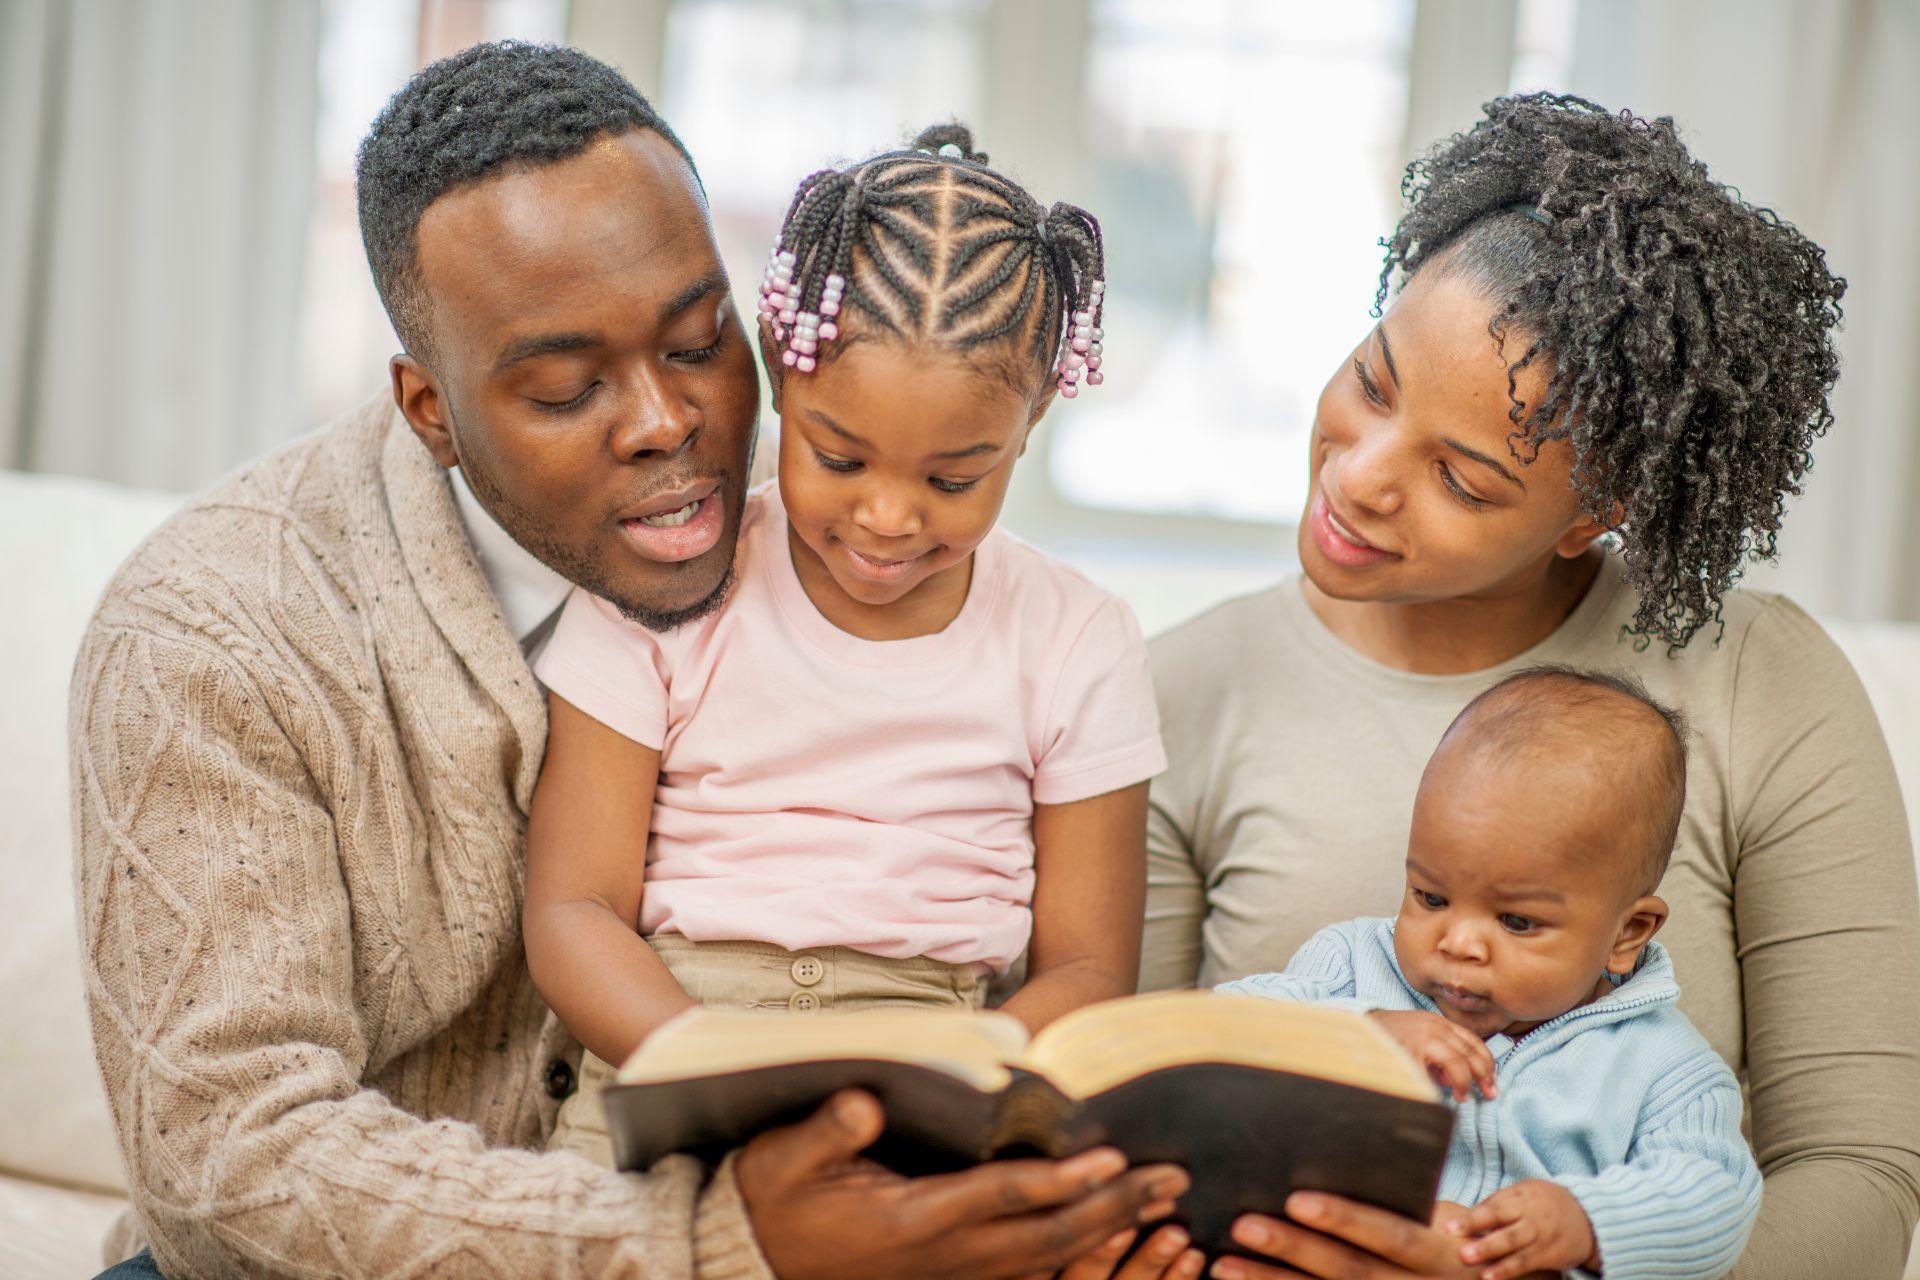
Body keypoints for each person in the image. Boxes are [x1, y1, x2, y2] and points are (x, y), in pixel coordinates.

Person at [70, 42, 1186, 1280]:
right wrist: (711, 1235)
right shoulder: (215, 629)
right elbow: (227, 1158)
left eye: (700, 342)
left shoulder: (863, 536)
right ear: (428, 407)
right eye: (564, 386)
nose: (669, 423)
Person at [1139, 93, 1920, 1280]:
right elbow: (1123, 1090)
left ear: (1592, 513)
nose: (1359, 476)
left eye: (1461, 476)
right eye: (1373, 381)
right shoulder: (1179, 689)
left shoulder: (1764, 681)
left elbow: (1862, 1177)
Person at [524, 123, 1165, 1166]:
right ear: (783, 371)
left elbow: (1089, 971)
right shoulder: (667, 582)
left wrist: (960, 1069)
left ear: (1035, 416)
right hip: (673, 1043)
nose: (887, 517)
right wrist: (699, 1058)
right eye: (839, 455)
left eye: (954, 479)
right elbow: (573, 906)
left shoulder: (1078, 638)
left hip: (945, 1069)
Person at [1223, 667, 1762, 1280]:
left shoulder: (1664, 1068)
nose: (1458, 943)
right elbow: (1210, 1028)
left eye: (1516, 921)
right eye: (1429, 897)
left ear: (1626, 934)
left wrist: (1585, 1222)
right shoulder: (1350, 966)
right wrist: (1360, 1033)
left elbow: (1717, 1197)